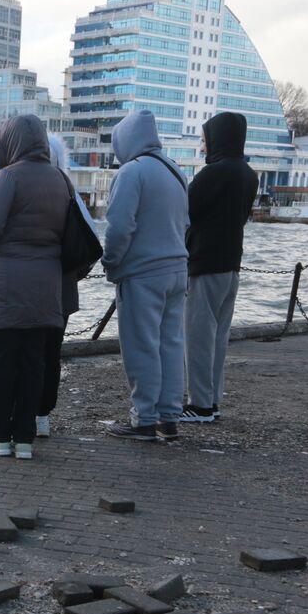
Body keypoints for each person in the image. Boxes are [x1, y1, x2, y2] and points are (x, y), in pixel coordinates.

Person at [0, 114, 69, 459]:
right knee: (32, 363)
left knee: (1, 362)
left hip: (3, 286)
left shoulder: (8, 177)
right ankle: (24, 438)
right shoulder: (60, 179)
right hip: (45, 286)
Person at [101, 110, 190, 442]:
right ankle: (169, 418)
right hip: (177, 269)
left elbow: (120, 226)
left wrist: (111, 263)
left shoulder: (131, 172)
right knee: (170, 344)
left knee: (142, 347)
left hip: (142, 273)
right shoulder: (175, 171)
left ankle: (144, 419)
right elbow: (186, 223)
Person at [182, 111, 258, 422]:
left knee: (198, 336)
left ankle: (199, 405)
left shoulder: (213, 173)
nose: (202, 147)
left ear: (218, 138)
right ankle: (211, 400)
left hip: (205, 262)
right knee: (218, 337)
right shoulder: (248, 174)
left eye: (204, 139)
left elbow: (183, 210)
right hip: (231, 264)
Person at [36, 133, 98, 438]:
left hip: (31, 287)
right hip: (63, 288)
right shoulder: (68, 189)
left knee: (27, 352)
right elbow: (90, 239)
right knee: (51, 353)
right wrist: (76, 273)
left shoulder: (22, 182)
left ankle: (22, 412)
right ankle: (42, 415)